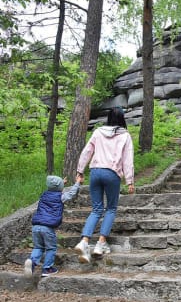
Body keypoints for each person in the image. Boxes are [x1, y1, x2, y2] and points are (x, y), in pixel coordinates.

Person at [74, 107, 135, 264]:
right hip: (111, 173)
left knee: (96, 209)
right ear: (122, 118)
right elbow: (128, 159)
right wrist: (130, 180)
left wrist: (80, 170)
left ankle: (84, 241)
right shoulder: (125, 136)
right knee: (111, 208)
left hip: (95, 171)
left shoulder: (98, 132)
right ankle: (100, 243)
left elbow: (87, 151)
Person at [24, 175, 83, 278]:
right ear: (60, 187)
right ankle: (47, 268)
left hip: (36, 226)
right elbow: (71, 194)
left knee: (38, 247)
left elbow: (53, 189)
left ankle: (32, 263)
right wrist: (77, 182)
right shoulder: (61, 196)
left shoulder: (43, 195)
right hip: (47, 227)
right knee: (51, 248)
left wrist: (61, 184)